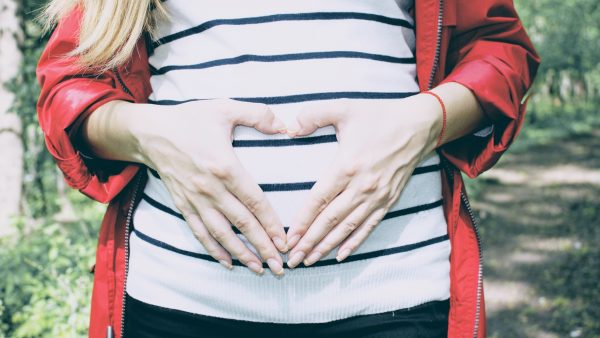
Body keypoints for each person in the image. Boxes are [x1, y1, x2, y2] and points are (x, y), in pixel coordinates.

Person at [36, 0, 540, 337]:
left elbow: (500, 50)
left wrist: (425, 120)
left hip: (397, 296)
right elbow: (68, 89)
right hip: (175, 300)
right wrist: (149, 134)